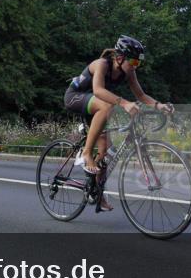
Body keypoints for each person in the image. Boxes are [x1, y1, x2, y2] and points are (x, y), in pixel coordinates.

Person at [64, 36, 173, 211]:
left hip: (95, 105)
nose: (135, 66)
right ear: (120, 57)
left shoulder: (128, 71)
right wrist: (124, 103)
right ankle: (85, 154)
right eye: (134, 62)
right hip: (75, 97)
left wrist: (160, 106)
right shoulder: (102, 64)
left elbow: (141, 96)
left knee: (106, 151)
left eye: (138, 63)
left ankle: (96, 193)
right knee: (107, 107)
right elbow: (98, 90)